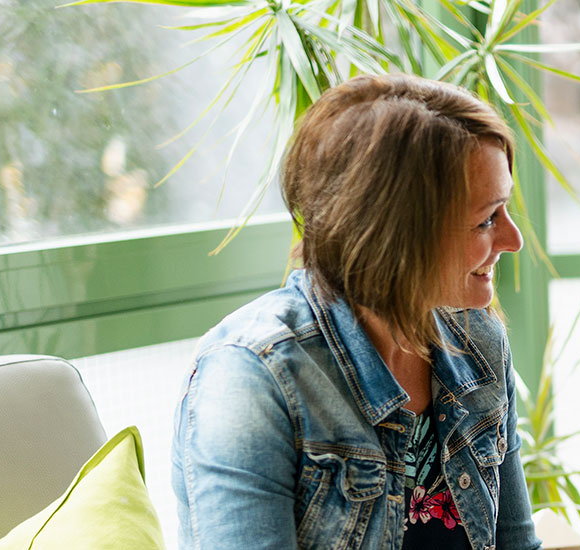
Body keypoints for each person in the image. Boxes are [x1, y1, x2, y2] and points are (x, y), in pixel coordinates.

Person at [172, 74, 541, 550]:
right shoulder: (251, 378)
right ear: (398, 236)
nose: (514, 240)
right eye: (486, 219)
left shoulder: (478, 340)